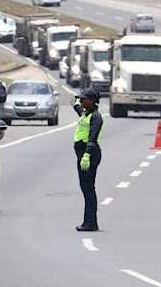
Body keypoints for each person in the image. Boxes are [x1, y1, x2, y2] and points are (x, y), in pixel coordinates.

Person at [72, 87, 103, 232]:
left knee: (88, 188)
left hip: (89, 154)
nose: (82, 102)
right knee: (85, 188)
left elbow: (93, 136)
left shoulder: (96, 117)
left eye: (84, 99)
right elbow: (79, 110)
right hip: (82, 153)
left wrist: (87, 154)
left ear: (92, 100)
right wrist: (75, 103)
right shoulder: (86, 113)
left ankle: (90, 223)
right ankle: (89, 221)